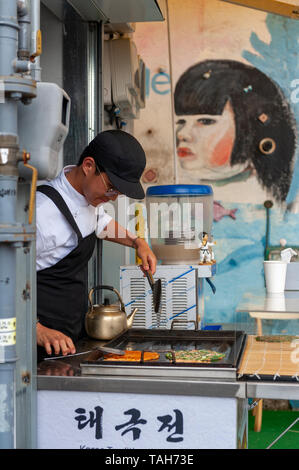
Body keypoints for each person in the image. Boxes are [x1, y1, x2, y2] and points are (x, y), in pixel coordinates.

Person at [36, 130, 156, 359]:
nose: (113, 197)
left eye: (118, 193)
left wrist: (137, 242)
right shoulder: (41, 214)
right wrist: (36, 330)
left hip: (70, 341)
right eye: (111, 187)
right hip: (36, 349)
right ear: (89, 166)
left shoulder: (86, 198)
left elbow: (101, 223)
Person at [174, 59, 297, 203]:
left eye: (205, 121)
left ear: (249, 129)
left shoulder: (271, 198)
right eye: (181, 122)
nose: (182, 134)